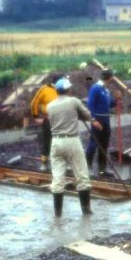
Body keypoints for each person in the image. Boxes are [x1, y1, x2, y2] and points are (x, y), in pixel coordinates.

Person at [46, 77, 102, 217]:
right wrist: (90, 119)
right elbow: (87, 115)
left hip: (56, 142)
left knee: (58, 179)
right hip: (71, 140)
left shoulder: (50, 106)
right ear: (68, 89)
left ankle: (58, 214)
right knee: (82, 176)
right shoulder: (74, 101)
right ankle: (86, 211)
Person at [86, 68, 120, 178]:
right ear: (109, 77)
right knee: (93, 144)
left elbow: (110, 104)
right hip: (98, 120)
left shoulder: (106, 90)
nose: (113, 78)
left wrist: (117, 99)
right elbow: (90, 104)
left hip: (106, 120)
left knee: (104, 145)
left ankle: (102, 170)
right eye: (112, 76)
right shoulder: (95, 88)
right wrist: (93, 120)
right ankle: (88, 168)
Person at [30, 74, 62, 172]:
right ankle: (44, 163)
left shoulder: (63, 90)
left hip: (61, 119)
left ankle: (61, 163)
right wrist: (36, 116)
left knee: (62, 141)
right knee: (47, 141)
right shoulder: (44, 89)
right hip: (48, 119)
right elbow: (34, 103)